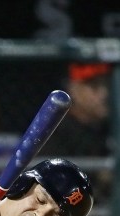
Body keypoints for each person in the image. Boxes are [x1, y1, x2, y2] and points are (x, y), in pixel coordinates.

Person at [41, 62, 111, 196]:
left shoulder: (112, 128)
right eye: (94, 86)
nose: (104, 94)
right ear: (72, 89)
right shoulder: (56, 130)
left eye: (106, 84)